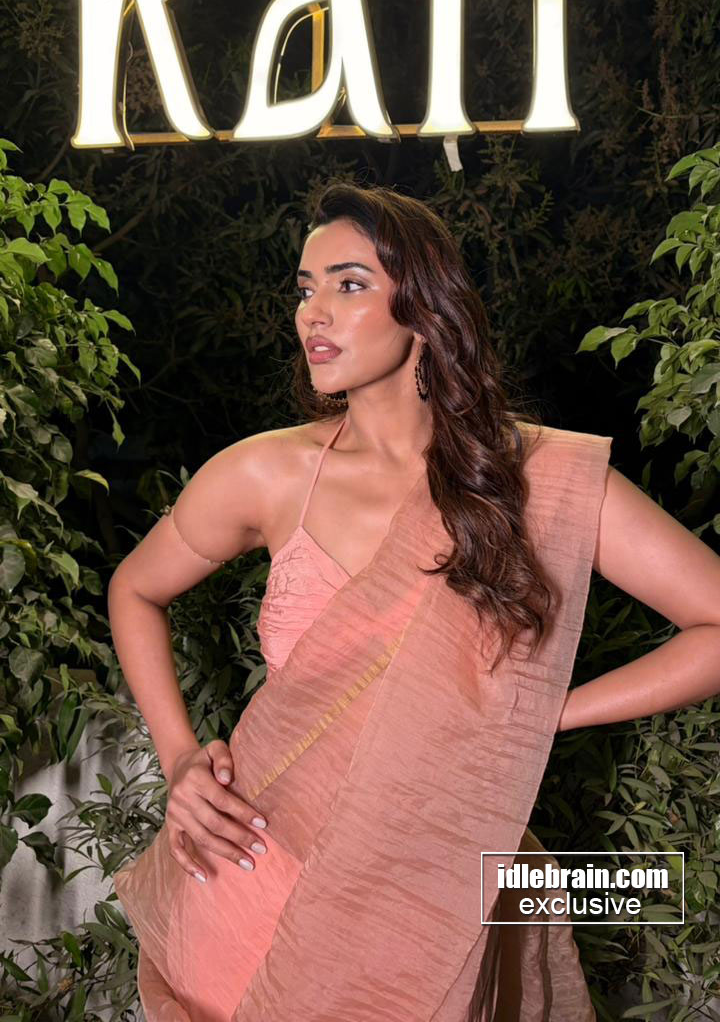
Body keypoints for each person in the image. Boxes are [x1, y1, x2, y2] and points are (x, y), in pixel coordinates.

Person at [109, 181, 720, 1022]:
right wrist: (180, 756)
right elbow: (134, 588)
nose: (314, 313)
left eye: (350, 284)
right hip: (255, 873)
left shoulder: (532, 482)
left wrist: (544, 716)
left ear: (426, 308)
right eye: (306, 288)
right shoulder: (268, 473)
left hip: (432, 894)